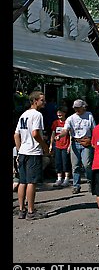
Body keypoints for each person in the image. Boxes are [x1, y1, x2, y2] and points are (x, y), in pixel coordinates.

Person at [14, 90, 50, 220]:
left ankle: (21, 209)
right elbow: (35, 133)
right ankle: (30, 210)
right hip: (33, 151)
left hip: (23, 151)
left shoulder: (23, 115)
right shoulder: (37, 115)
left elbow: (16, 134)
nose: (44, 102)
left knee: (22, 181)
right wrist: (44, 146)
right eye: (42, 100)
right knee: (31, 182)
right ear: (35, 101)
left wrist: (19, 150)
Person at [58, 99, 96, 194]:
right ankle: (76, 185)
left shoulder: (89, 115)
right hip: (75, 142)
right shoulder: (71, 118)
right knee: (75, 166)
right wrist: (59, 136)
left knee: (87, 164)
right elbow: (65, 130)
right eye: (75, 108)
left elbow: (94, 129)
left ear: (83, 107)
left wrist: (93, 141)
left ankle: (91, 182)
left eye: (79, 108)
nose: (77, 110)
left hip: (86, 142)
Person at [49, 106, 71, 187]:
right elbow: (53, 134)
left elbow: (71, 134)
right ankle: (59, 178)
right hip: (57, 145)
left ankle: (66, 179)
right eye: (58, 113)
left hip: (66, 145)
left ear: (65, 113)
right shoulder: (55, 123)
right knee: (58, 162)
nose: (59, 114)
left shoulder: (68, 122)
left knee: (66, 162)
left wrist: (70, 145)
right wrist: (51, 144)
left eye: (61, 112)